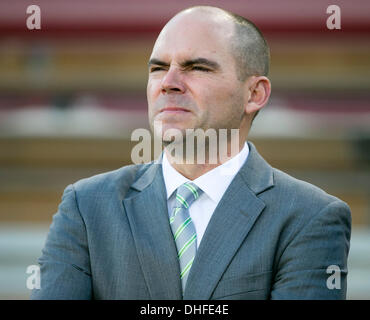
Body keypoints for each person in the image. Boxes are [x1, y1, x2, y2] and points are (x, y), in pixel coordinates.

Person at [31, 6, 351, 300]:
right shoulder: (86, 206)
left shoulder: (310, 217)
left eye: (197, 67)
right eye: (158, 68)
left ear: (254, 94)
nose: (168, 83)